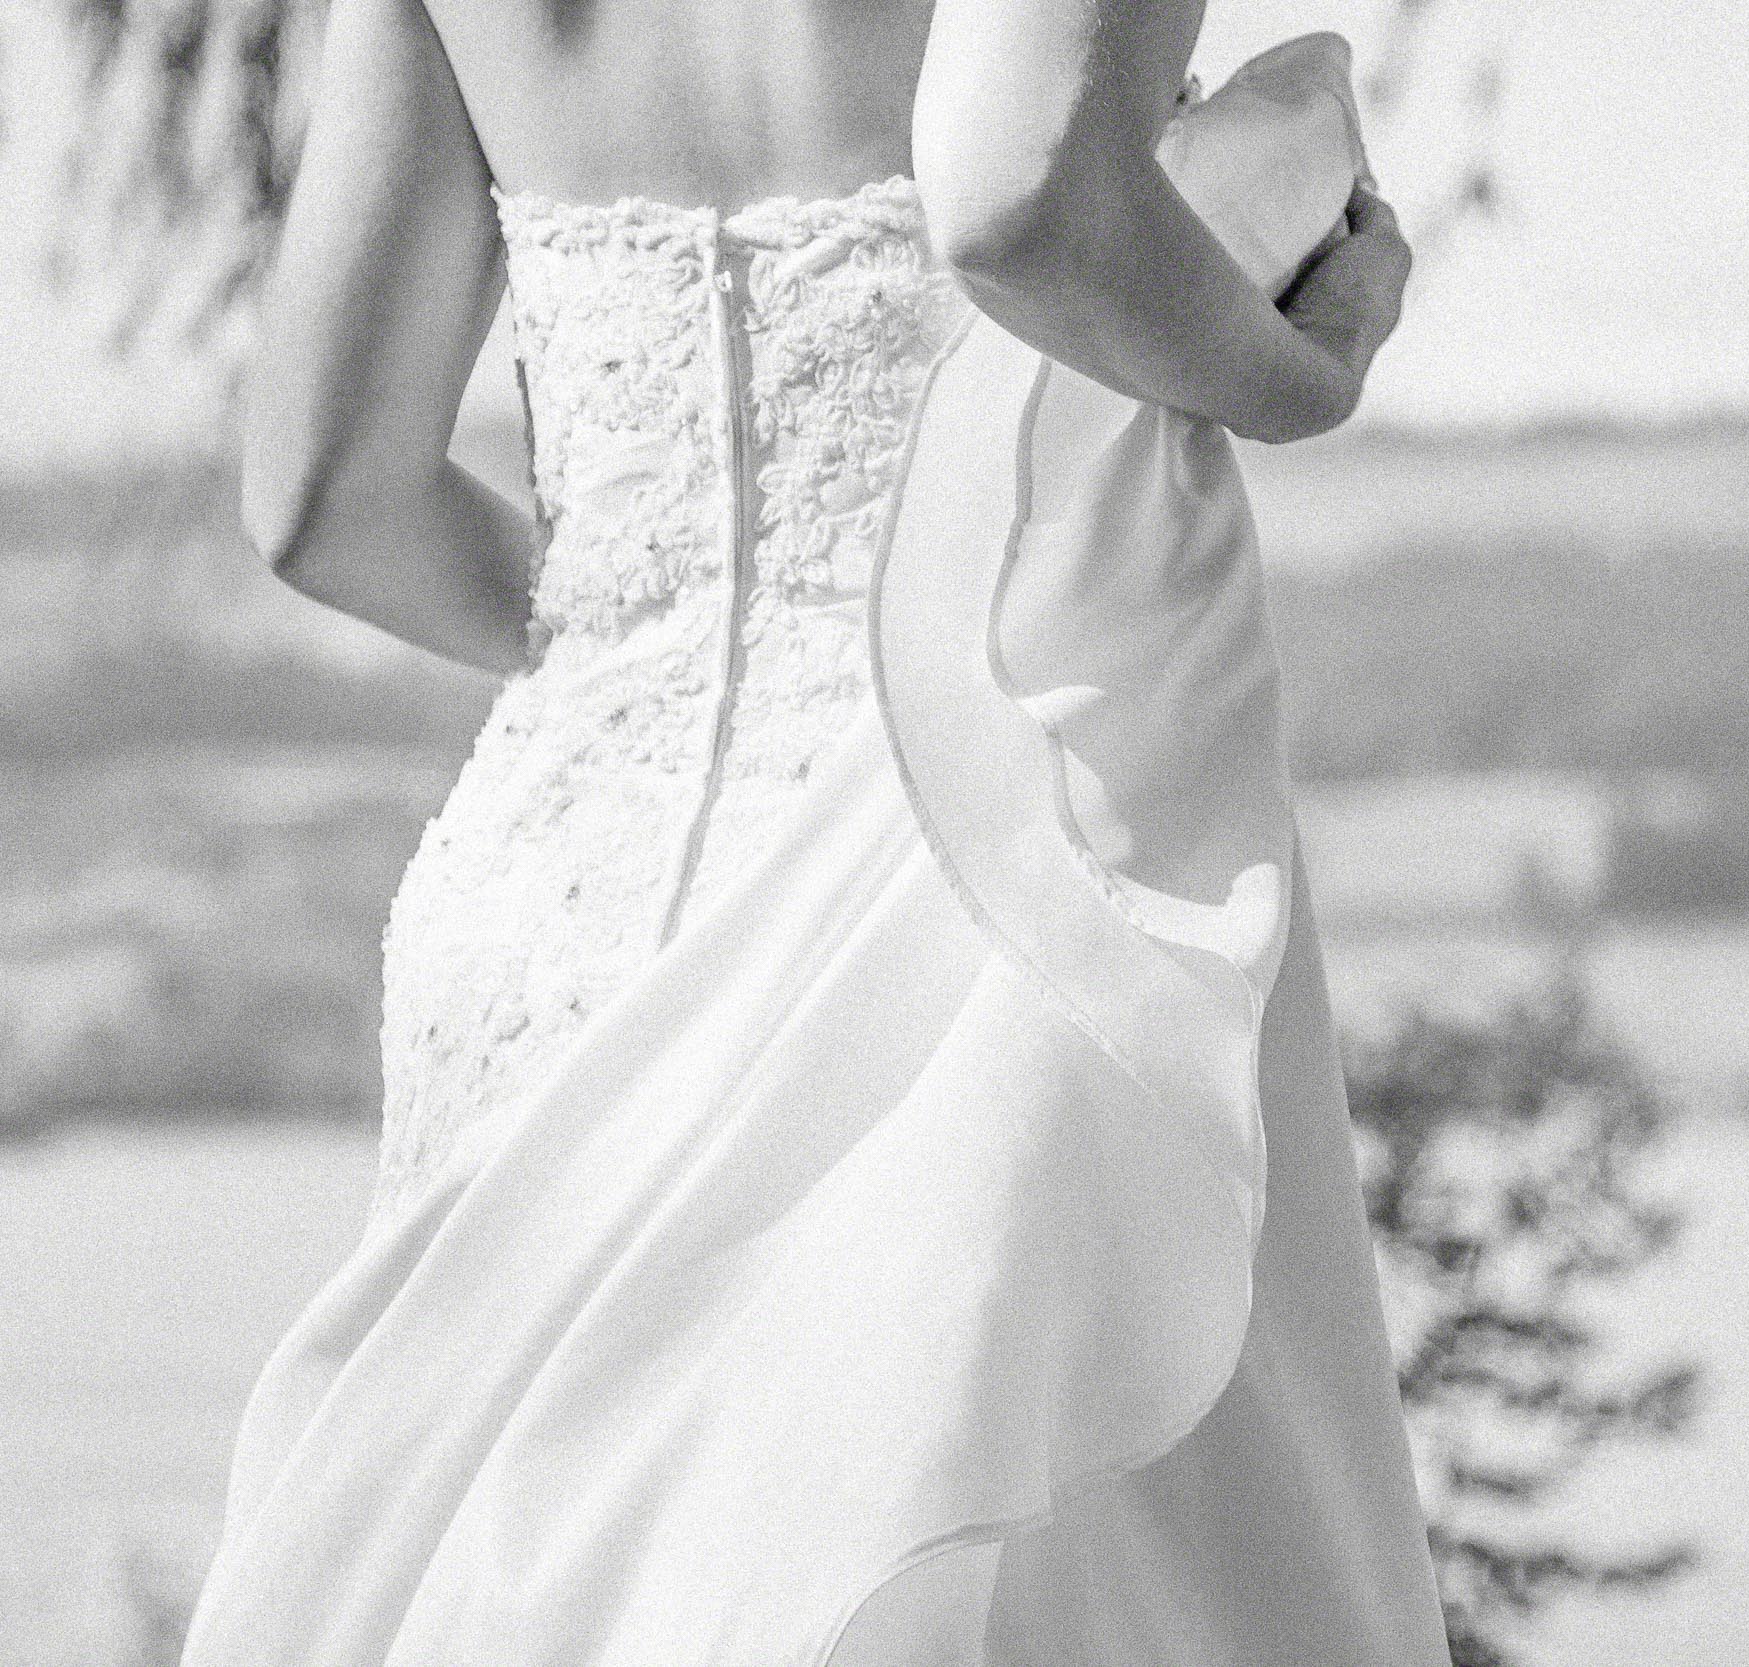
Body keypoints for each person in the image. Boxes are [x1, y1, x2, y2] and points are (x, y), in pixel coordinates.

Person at [179, 0, 1449, 1662]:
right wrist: (1297, 371)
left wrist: (647, 645)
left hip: (555, 883)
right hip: (984, 885)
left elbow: (327, 498)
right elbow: (1014, 194)